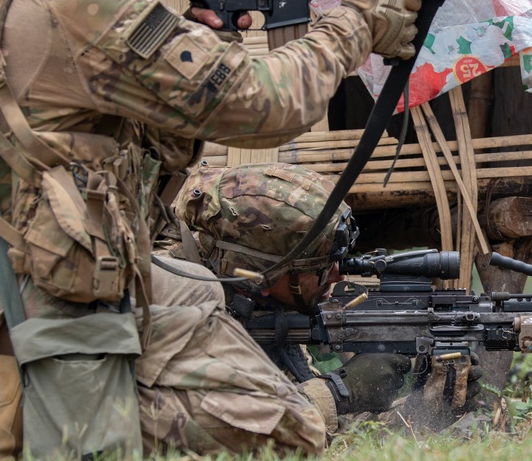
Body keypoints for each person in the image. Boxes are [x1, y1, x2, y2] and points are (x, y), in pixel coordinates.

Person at [0, 0, 421, 460]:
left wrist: (214, 51)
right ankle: (12, 430)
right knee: (289, 427)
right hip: (38, 315)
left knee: (202, 292)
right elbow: (267, 103)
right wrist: (354, 24)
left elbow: (133, 164)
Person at [165, 162, 482, 434]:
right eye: (319, 269)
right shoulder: (174, 303)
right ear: (263, 273)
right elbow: (216, 432)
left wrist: (424, 406)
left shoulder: (263, 303)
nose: (338, 276)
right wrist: (336, 394)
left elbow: (332, 439)